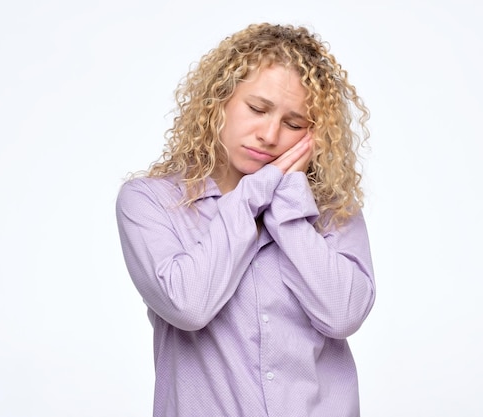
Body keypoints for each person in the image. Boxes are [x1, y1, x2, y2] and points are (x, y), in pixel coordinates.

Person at [116, 22, 375, 417]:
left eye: (293, 124)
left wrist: (287, 210)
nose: (270, 135)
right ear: (219, 100)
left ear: (315, 136)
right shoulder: (150, 202)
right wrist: (254, 194)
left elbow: (343, 315)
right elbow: (188, 305)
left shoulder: (332, 212)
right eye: (257, 109)